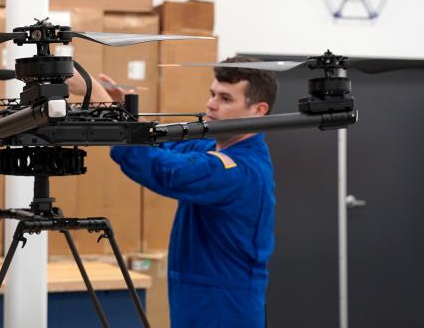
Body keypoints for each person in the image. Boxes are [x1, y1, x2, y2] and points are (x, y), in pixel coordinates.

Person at [67, 56, 278, 327]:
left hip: (223, 306)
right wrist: (117, 111)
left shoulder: (242, 170)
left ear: (259, 110)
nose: (211, 104)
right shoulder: (210, 148)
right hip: (196, 296)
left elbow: (166, 171)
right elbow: (159, 149)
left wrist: (96, 96)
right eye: (212, 94)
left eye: (226, 99)